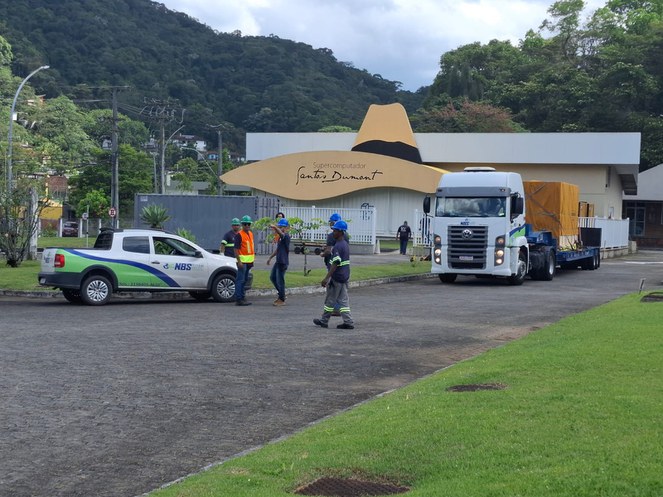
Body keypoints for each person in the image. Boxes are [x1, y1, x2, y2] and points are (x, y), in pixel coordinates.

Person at [313, 220, 354, 330]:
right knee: (343, 301)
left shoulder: (338, 246)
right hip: (344, 277)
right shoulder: (345, 244)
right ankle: (348, 322)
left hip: (337, 277)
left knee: (330, 300)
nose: (333, 233)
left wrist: (327, 278)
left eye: (335, 230)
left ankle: (324, 321)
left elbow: (336, 263)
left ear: (341, 232)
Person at [321, 213, 349, 316]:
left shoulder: (331, 235)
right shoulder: (345, 235)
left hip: (333, 265)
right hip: (344, 268)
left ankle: (333, 311)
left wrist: (322, 253)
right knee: (342, 291)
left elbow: (329, 251)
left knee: (333, 290)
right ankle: (342, 313)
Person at [267, 218, 291, 306]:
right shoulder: (280, 239)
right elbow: (278, 250)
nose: (281, 229)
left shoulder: (286, 236)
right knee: (273, 277)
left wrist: (275, 227)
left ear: (287, 228)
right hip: (278, 261)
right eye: (280, 227)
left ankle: (282, 299)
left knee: (280, 280)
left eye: (282, 227)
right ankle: (282, 293)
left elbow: (281, 234)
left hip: (283, 262)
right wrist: (270, 258)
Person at [233, 215, 255, 306]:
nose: (247, 226)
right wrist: (239, 261)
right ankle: (239, 298)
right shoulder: (239, 235)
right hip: (242, 262)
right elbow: (236, 249)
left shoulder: (250, 234)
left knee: (245, 279)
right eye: (245, 224)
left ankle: (242, 296)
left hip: (249, 261)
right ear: (242, 224)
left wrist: (252, 261)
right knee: (240, 280)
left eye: (248, 224)